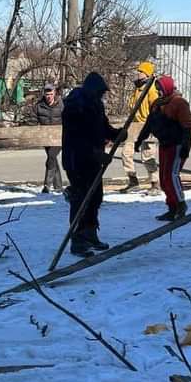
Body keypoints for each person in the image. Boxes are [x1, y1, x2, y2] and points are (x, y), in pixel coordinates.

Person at [61, 72, 125, 257]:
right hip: (76, 160)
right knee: (81, 198)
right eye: (99, 92)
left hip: (93, 161)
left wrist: (117, 134)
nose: (101, 96)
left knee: (95, 197)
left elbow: (102, 128)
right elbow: (76, 138)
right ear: (91, 90)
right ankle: (78, 241)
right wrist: (95, 154)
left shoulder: (95, 104)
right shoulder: (75, 106)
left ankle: (90, 234)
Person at [135, 75, 191, 221]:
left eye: (160, 89)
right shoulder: (157, 104)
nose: (159, 92)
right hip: (164, 144)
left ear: (167, 88)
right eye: (157, 89)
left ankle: (181, 205)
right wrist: (139, 140)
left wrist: (186, 146)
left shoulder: (179, 103)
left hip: (177, 145)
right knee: (164, 178)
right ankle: (171, 207)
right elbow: (149, 124)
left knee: (172, 176)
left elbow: (188, 126)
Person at [121, 61, 159, 192]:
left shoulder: (152, 90)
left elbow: (156, 110)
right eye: (138, 70)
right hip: (135, 126)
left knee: (148, 156)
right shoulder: (137, 88)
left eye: (141, 71)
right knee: (126, 153)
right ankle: (133, 181)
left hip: (148, 126)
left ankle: (155, 183)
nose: (138, 73)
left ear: (147, 74)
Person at [34, 83, 64, 194]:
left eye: (51, 94)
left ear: (54, 93)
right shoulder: (39, 106)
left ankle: (47, 185)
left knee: (51, 157)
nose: (49, 96)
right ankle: (58, 187)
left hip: (59, 137)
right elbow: (33, 119)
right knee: (53, 160)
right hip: (45, 137)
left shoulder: (61, 104)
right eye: (47, 94)